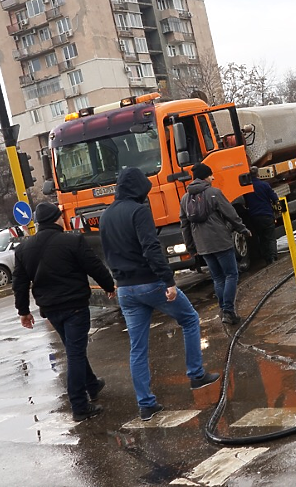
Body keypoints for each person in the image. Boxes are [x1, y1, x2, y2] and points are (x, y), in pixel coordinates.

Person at [100, 167, 219, 422]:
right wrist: (168, 280)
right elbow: (151, 247)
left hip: (125, 289)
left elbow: (107, 251)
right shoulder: (139, 211)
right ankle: (196, 375)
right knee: (188, 319)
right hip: (150, 283)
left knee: (138, 348)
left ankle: (146, 404)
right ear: (138, 187)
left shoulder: (106, 214)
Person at [13, 202, 116, 422]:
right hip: (75, 306)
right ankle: (79, 405)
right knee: (75, 353)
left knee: (73, 348)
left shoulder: (23, 249)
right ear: (56, 219)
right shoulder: (72, 240)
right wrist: (109, 286)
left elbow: (19, 283)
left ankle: (92, 384)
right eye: (60, 216)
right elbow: (94, 266)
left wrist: (23, 311)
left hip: (50, 309)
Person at [179, 161, 251, 325]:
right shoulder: (214, 193)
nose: (212, 177)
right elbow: (231, 214)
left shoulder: (185, 198)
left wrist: (191, 247)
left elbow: (184, 224)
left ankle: (223, 309)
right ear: (206, 177)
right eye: (211, 175)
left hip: (202, 246)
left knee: (218, 278)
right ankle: (228, 311)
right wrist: (243, 229)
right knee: (231, 274)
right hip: (220, 241)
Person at [245, 166, 280, 266]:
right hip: (267, 214)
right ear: (258, 174)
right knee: (270, 237)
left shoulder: (248, 188)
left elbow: (247, 203)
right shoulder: (264, 185)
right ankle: (273, 257)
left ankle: (266, 258)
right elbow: (274, 197)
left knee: (261, 238)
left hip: (254, 217)